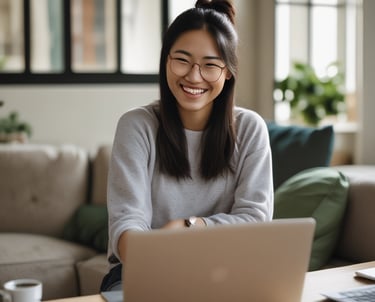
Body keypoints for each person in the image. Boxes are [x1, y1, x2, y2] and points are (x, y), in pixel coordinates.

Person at [100, 0, 273, 292]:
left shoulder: (250, 128)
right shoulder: (136, 126)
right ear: (165, 60)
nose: (194, 76)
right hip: (144, 274)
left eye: (210, 65)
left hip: (227, 274)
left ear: (228, 71)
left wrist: (190, 227)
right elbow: (127, 223)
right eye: (182, 60)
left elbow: (256, 220)